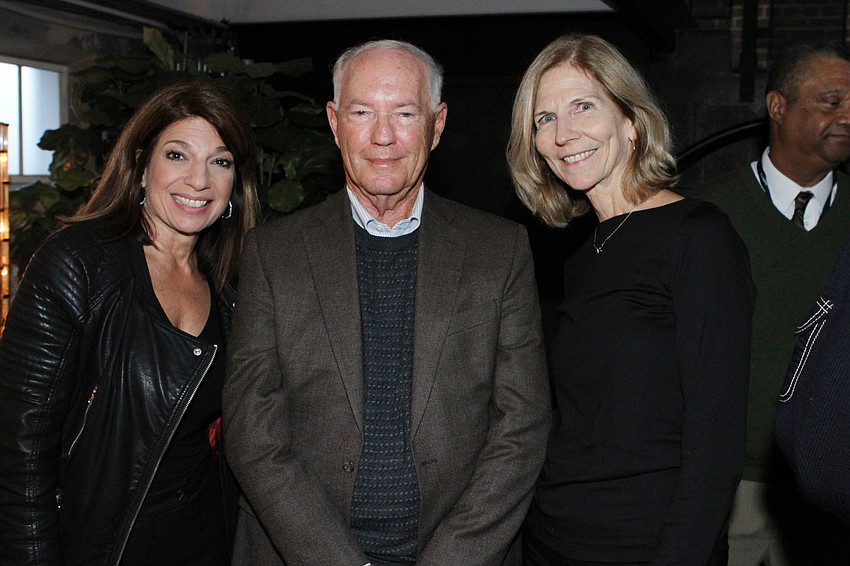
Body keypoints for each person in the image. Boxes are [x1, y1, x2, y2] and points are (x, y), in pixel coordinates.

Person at [222, 39, 551, 566]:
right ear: (334, 123)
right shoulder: (274, 254)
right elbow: (252, 433)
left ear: (437, 125)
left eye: (404, 113)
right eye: (361, 113)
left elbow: (523, 426)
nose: (382, 136)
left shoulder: (499, 250)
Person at [507, 33, 755, 565]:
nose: (563, 133)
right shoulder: (582, 255)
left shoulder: (697, 236)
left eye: (583, 106)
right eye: (545, 118)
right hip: (552, 538)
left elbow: (716, 440)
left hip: (644, 543)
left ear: (632, 121)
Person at [0, 80, 259, 566]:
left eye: (220, 162)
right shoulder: (79, 265)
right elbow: (19, 453)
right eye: (178, 155)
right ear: (141, 166)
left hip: (205, 544)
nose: (199, 181)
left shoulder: (232, 290)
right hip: (103, 548)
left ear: (234, 184)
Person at [691, 41, 850, 565]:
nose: (847, 117)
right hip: (724, 478)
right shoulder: (706, 212)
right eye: (832, 101)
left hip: (830, 487)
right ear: (778, 106)